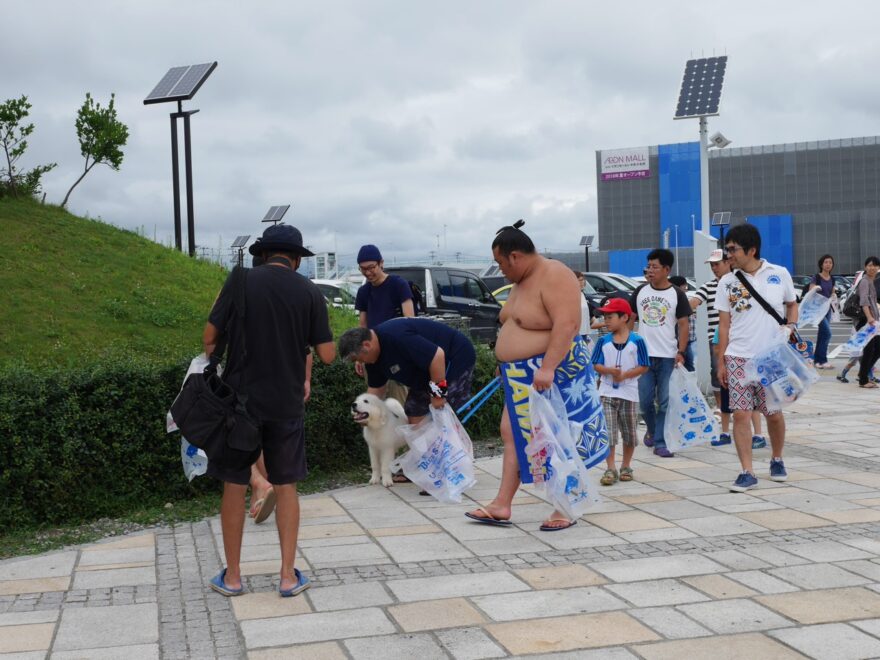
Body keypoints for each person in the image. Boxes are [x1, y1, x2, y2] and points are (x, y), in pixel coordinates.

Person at [203, 224, 335, 597]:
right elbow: (326, 355)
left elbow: (210, 339)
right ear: (295, 259)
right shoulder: (309, 291)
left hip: (240, 403)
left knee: (234, 483)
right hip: (286, 403)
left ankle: (232, 578)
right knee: (286, 484)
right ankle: (288, 577)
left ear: (263, 254)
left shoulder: (240, 281)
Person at [462, 221, 608, 531]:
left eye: (501, 263)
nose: (500, 270)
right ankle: (502, 504)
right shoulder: (521, 281)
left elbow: (566, 325)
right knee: (512, 432)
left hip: (553, 374)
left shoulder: (554, 274)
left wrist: (548, 367)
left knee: (556, 437)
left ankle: (564, 506)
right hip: (520, 375)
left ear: (515, 256)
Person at [716, 223, 797, 492]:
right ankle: (747, 471)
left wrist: (791, 326)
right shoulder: (727, 281)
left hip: (770, 358)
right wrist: (721, 361)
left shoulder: (779, 273)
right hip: (738, 356)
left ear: (751, 250)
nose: (728, 254)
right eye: (726, 249)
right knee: (740, 414)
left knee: (773, 414)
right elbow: (724, 325)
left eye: (732, 249)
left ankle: (777, 458)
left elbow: (791, 304)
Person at [337, 318, 476, 424]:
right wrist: (365, 411)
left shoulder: (396, 336)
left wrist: (438, 395)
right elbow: (376, 390)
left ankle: (452, 456)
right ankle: (426, 455)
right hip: (425, 373)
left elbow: (437, 356)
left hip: (454, 359)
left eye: (358, 358)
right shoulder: (372, 359)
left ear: (367, 345)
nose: (360, 363)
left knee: (444, 411)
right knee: (414, 412)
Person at [630, 249, 691, 458]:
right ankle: (652, 430)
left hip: (667, 356)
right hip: (643, 356)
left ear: (667, 269)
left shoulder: (677, 294)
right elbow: (630, 319)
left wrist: (681, 351)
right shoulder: (640, 292)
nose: (650, 270)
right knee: (645, 401)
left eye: (655, 266)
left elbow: (684, 325)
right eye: (649, 265)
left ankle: (660, 442)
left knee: (665, 400)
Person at [590, 298, 649, 486]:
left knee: (629, 432)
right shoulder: (602, 342)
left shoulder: (637, 341)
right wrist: (609, 372)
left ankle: (626, 465)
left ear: (624, 317)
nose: (606, 321)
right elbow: (596, 364)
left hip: (629, 393)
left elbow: (644, 365)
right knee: (608, 431)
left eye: (610, 317)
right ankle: (610, 468)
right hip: (606, 392)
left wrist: (626, 375)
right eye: (604, 317)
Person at [855, 256, 880, 388]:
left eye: (875, 266)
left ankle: (863, 373)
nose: (872, 268)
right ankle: (863, 380)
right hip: (866, 320)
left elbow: (873, 302)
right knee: (869, 350)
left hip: (872, 321)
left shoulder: (871, 281)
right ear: (865, 267)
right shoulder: (865, 281)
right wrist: (870, 317)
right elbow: (864, 301)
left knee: (877, 348)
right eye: (870, 265)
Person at [808, 254, 837, 369]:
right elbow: (811, 290)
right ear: (821, 264)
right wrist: (815, 288)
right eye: (826, 262)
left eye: (830, 262)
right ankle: (823, 360)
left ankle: (817, 361)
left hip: (827, 310)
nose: (828, 264)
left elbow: (832, 292)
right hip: (817, 310)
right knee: (828, 333)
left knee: (822, 335)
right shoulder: (817, 277)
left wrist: (834, 295)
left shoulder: (832, 278)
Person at [669, 276, 696, 372]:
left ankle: (688, 384)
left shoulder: (684, 298)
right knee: (687, 365)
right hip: (680, 341)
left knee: (688, 364)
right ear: (680, 286)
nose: (686, 288)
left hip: (686, 340)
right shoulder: (675, 301)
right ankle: (688, 385)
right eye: (685, 285)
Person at [573, 269, 596, 345]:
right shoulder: (570, 296)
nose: (582, 282)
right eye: (579, 280)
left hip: (584, 332)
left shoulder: (583, 295)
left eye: (582, 280)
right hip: (575, 334)